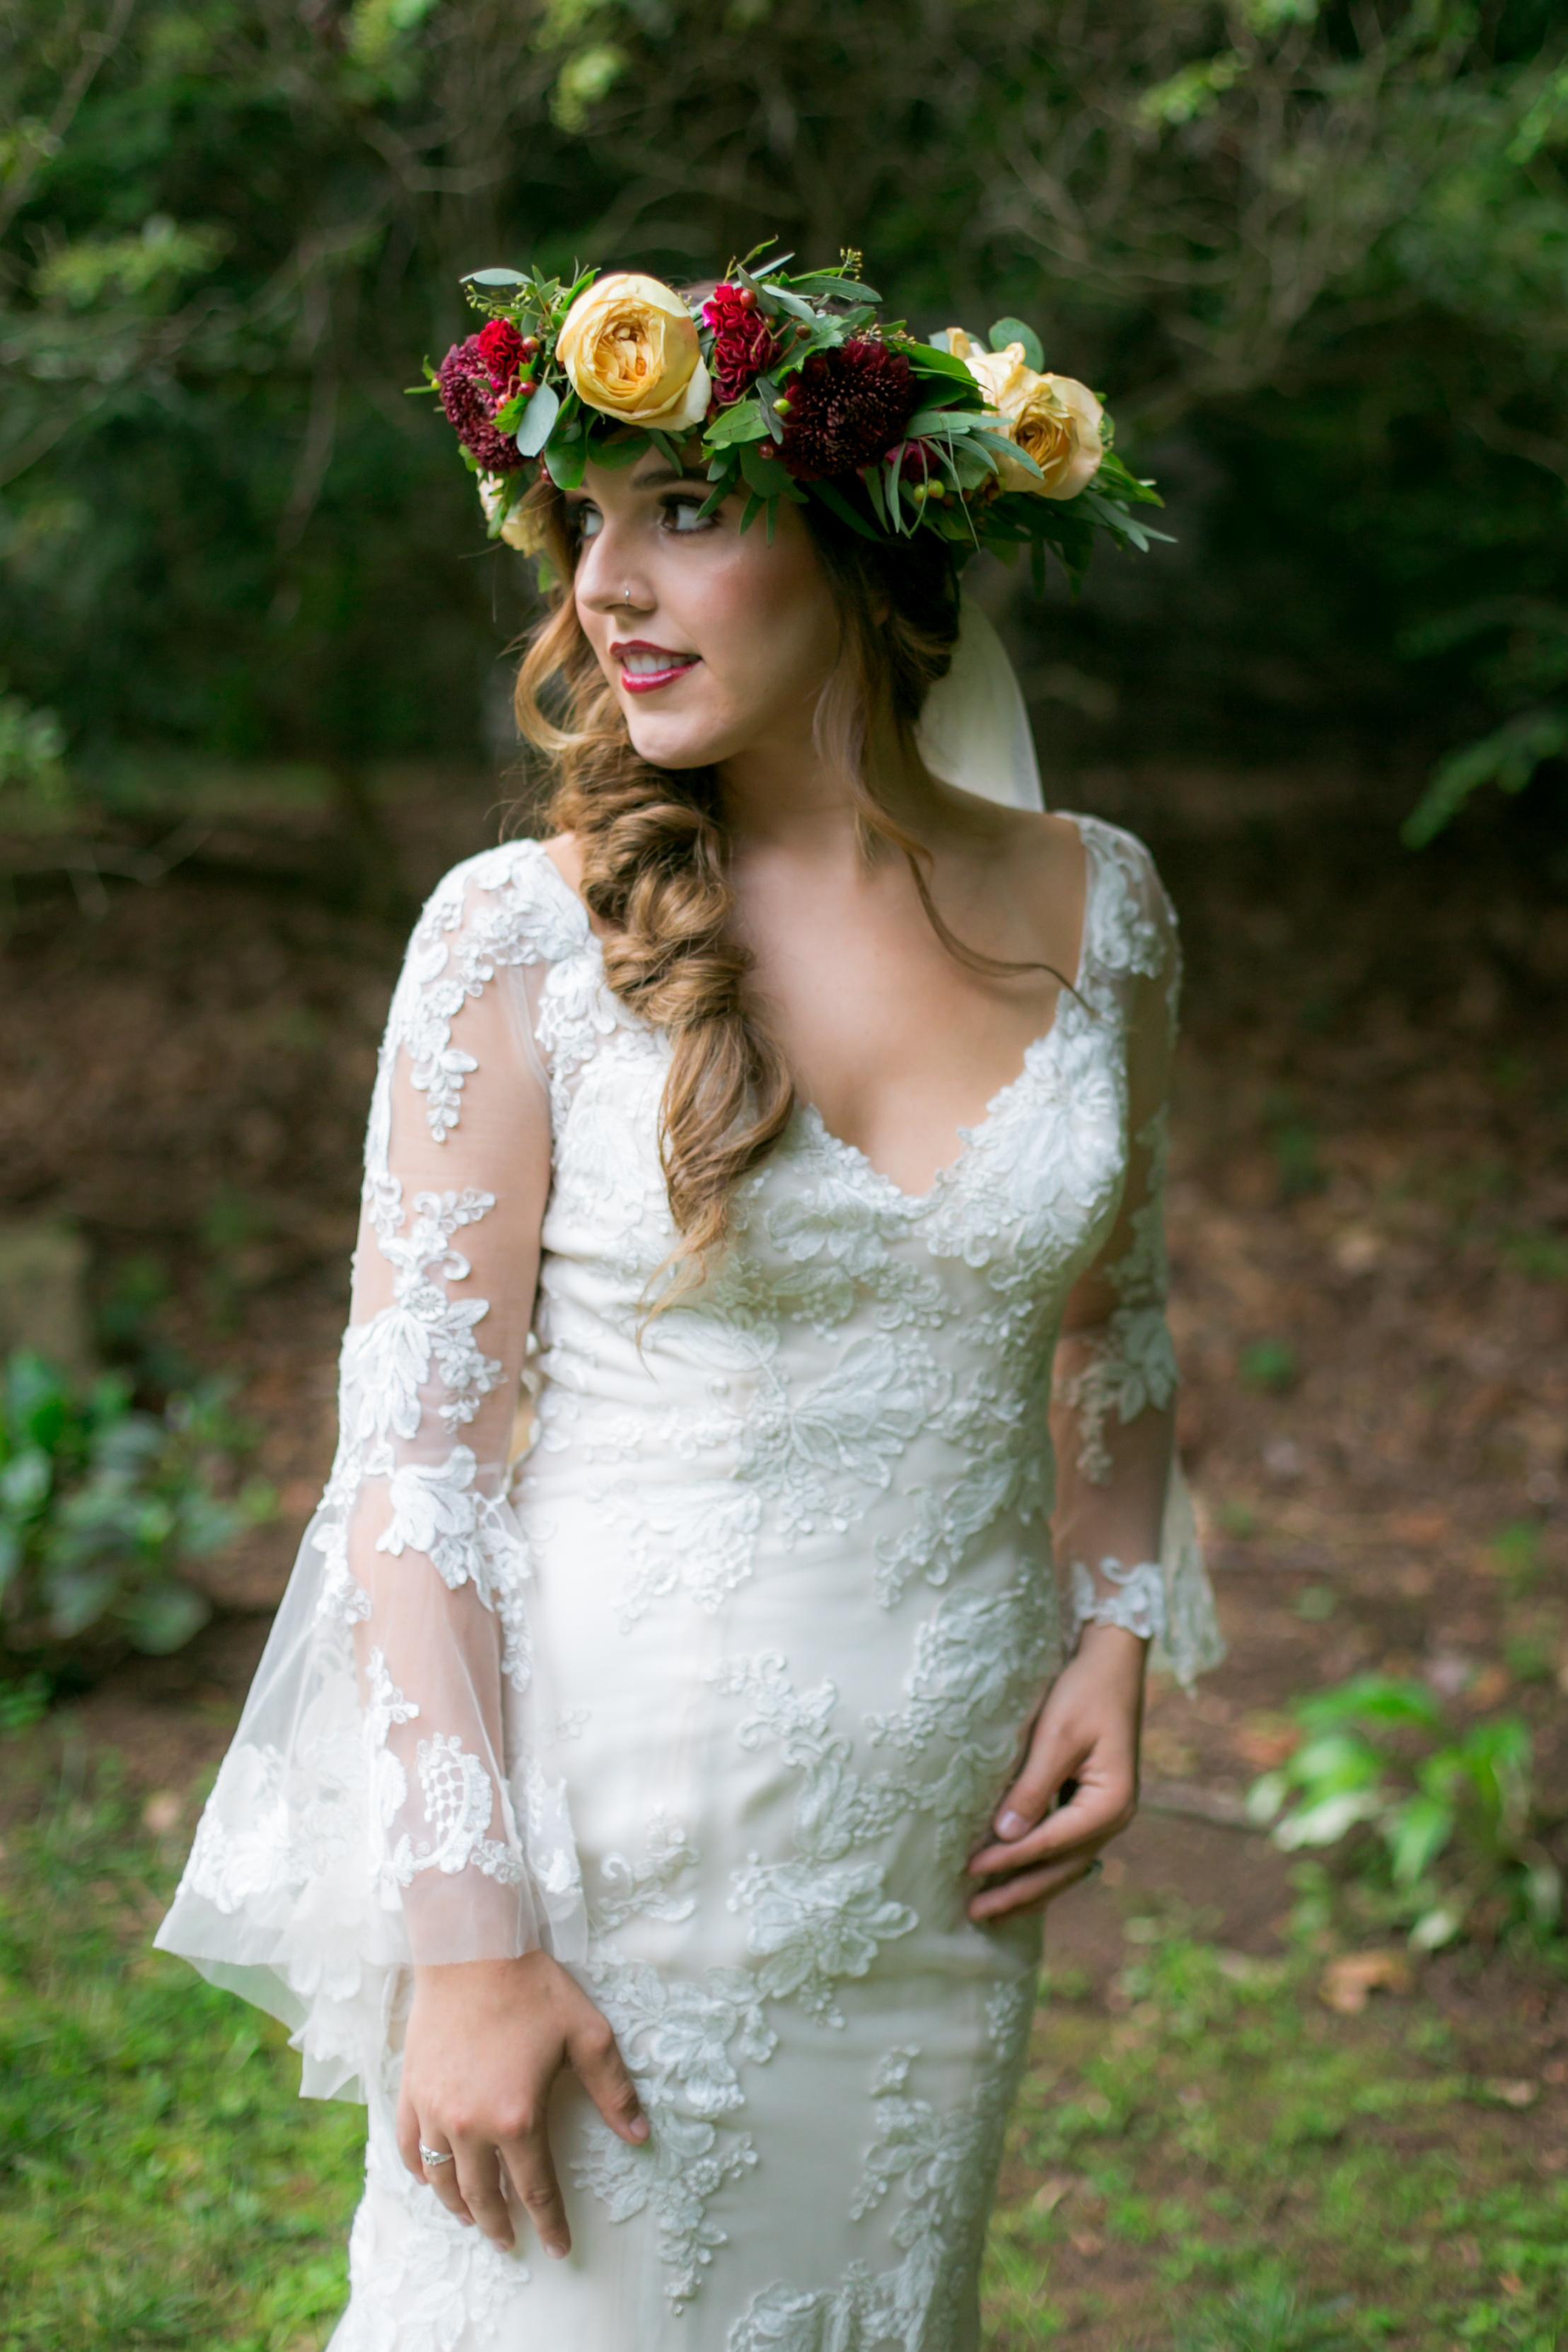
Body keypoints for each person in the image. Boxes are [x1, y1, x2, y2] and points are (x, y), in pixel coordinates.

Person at [158, 256, 1221, 2350]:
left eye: (684, 514)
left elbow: (1122, 1314)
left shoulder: (1103, 907)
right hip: (610, 1853)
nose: (604, 595)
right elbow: (416, 1465)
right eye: (583, 531)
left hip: (936, 1853)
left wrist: (1110, 1630)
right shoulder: (514, 944)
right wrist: (470, 1944)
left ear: (871, 545)